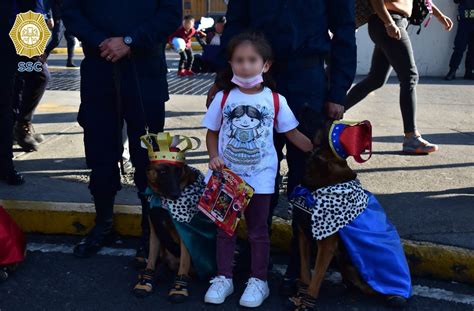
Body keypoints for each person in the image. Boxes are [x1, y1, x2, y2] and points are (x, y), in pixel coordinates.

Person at [206, 0, 357, 296]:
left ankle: (299, 262)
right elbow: (235, 26)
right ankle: (251, 258)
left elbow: (343, 31)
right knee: (252, 173)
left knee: (305, 177)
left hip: (308, 79)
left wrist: (338, 90)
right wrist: (223, 79)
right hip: (255, 76)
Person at [62, 0, 181, 259]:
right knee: (100, 151)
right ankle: (103, 223)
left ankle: (149, 230)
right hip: (99, 67)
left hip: (145, 70)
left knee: (148, 157)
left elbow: (171, 15)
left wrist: (129, 40)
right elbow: (71, 10)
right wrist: (102, 41)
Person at [202, 33, 313, 308]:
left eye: (252, 60)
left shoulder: (275, 100)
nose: (246, 66)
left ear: (266, 65)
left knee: (258, 231)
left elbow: (293, 134)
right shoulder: (223, 97)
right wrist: (213, 157)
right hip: (227, 180)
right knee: (225, 230)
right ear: (231, 64)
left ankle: (258, 280)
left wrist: (322, 150)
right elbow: (212, 133)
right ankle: (223, 277)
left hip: (261, 180)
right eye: (239, 60)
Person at [345, 0, 453, 155]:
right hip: (389, 21)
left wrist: (440, 16)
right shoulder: (389, 22)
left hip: (393, 23)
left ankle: (331, 114)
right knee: (409, 76)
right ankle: (411, 137)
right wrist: (389, 23)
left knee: (376, 79)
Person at [0, 0, 46, 185]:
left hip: (8, 46)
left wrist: (32, 49)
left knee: (5, 107)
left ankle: (5, 166)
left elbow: (33, 8)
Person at [43, 0, 78, 67]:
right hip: (58, 18)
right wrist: (49, 17)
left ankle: (70, 61)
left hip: (68, 18)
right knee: (56, 40)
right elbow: (47, 5)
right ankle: (43, 55)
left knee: (71, 40)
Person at [445, 0, 474, 80]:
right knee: (459, 47)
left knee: (472, 49)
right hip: (464, 21)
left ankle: (469, 71)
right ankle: (452, 71)